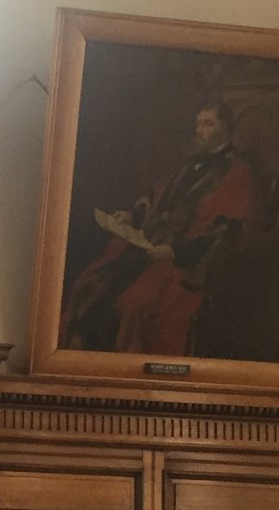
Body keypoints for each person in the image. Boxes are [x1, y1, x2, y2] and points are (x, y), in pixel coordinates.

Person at [59, 101, 259, 356]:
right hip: (150, 247)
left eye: (208, 123)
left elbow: (225, 232)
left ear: (227, 128)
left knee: (136, 304)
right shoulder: (189, 166)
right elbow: (160, 196)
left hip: (183, 259)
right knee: (89, 285)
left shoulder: (237, 174)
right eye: (198, 123)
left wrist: (175, 251)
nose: (199, 130)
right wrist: (133, 214)